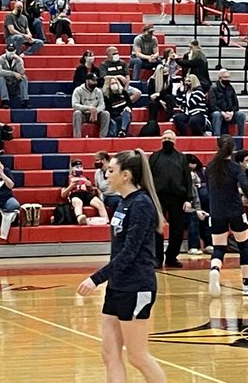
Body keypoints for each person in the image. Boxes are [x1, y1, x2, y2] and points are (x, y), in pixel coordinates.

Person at [76, 151, 168, 383]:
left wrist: (95, 279)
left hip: (137, 287)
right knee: (109, 354)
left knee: (138, 356)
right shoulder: (122, 203)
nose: (106, 175)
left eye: (111, 171)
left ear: (125, 175)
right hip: (118, 287)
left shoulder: (141, 204)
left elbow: (130, 252)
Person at [204, 136, 248, 297]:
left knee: (219, 248)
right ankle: (247, 285)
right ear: (233, 149)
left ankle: (215, 270)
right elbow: (245, 187)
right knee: (243, 246)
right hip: (235, 211)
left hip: (216, 211)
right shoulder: (235, 167)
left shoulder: (210, 167)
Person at [148, 130, 194, 269]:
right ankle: (157, 258)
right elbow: (149, 177)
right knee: (157, 229)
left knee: (177, 230)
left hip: (177, 198)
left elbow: (188, 180)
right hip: (158, 197)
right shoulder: (154, 156)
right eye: (165, 138)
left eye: (170, 138)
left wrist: (188, 199)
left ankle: (172, 257)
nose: (167, 140)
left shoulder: (181, 158)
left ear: (175, 141)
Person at [63, 158, 109, 225]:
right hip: (75, 194)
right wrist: (70, 186)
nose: (79, 168)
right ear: (72, 168)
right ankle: (80, 218)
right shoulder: (68, 178)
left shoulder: (85, 177)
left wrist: (90, 186)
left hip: (86, 194)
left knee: (99, 203)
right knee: (78, 202)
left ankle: (106, 220)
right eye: (77, 167)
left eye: (81, 167)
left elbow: (92, 192)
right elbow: (63, 194)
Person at [72, 73, 112, 139]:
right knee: (77, 113)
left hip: (96, 115)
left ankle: (103, 136)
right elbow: (75, 105)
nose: (95, 82)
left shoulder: (98, 91)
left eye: (96, 81)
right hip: (84, 114)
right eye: (93, 81)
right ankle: (77, 137)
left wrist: (96, 111)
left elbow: (102, 105)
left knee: (106, 114)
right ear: (87, 81)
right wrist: (89, 108)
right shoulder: (78, 90)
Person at [208, 70, 246, 136]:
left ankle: (241, 137)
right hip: (219, 113)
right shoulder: (213, 88)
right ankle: (217, 137)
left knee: (241, 114)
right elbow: (212, 105)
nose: (227, 79)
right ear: (220, 78)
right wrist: (222, 113)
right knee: (217, 114)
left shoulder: (230, 88)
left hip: (230, 113)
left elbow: (236, 104)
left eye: (228, 77)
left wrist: (232, 113)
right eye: (225, 77)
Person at [0, 43, 29, 109]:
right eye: (9, 50)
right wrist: (13, 73)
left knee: (24, 77)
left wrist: (19, 60)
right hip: (2, 84)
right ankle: (5, 101)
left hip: (13, 84)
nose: (10, 52)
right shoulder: (0, 59)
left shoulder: (18, 59)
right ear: (6, 50)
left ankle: (25, 100)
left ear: (15, 51)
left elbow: (21, 72)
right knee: (0, 77)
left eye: (12, 50)